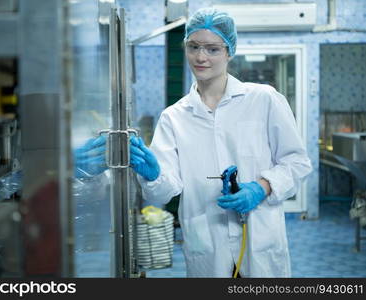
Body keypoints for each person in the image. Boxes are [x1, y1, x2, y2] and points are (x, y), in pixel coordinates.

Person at [129, 7, 312, 277]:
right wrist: (154, 175)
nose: (201, 57)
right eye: (194, 46)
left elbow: (297, 162)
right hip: (207, 243)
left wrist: (262, 188)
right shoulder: (174, 117)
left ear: (229, 51)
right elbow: (161, 193)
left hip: (259, 238)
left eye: (212, 49)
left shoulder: (264, 100)